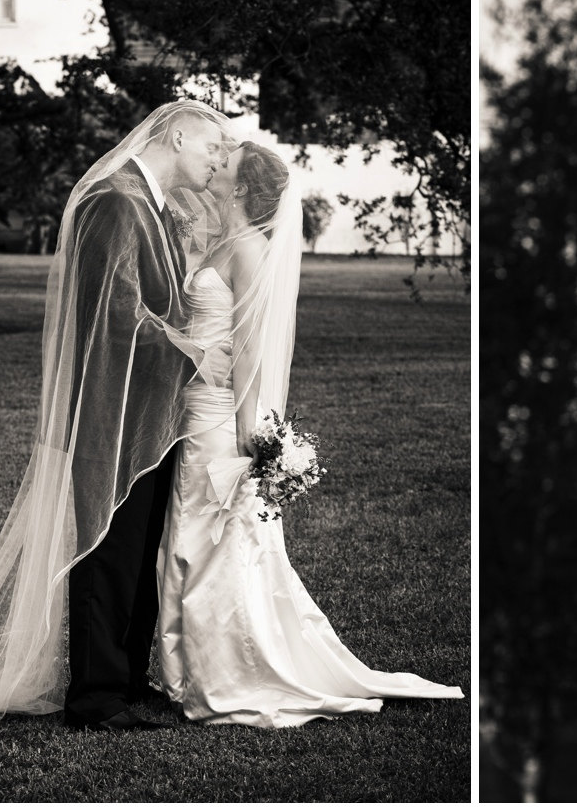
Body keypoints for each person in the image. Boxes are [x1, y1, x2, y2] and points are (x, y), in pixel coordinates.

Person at [0, 101, 231, 726]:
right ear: (177, 133)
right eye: (213, 146)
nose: (219, 160)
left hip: (147, 415)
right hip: (110, 412)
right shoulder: (116, 200)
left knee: (138, 549)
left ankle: (125, 677)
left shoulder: (156, 207)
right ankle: (95, 696)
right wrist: (191, 352)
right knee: (106, 547)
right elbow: (113, 313)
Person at [153, 140, 463, 726]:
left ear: (242, 190)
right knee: (190, 540)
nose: (217, 165)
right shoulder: (223, 240)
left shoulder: (247, 249)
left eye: (228, 165)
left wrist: (249, 423)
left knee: (210, 543)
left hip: (221, 416)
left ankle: (227, 673)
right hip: (197, 406)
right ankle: (188, 669)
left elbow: (247, 346)